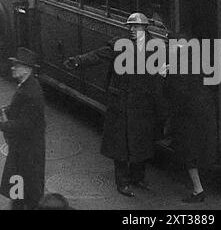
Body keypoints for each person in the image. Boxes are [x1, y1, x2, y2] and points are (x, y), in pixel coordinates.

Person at [64, 13, 168, 198]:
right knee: (120, 145)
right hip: (122, 102)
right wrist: (78, 61)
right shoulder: (120, 44)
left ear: (145, 28)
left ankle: (138, 178)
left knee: (141, 143)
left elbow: (161, 72)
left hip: (142, 103)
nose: (132, 31)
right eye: (130, 27)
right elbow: (98, 55)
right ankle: (123, 183)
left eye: (136, 27)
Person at [162, 32, 217, 203]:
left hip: (187, 118)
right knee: (199, 149)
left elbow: (171, 96)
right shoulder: (197, 62)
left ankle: (198, 189)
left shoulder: (174, 71)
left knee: (188, 152)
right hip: (204, 112)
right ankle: (201, 185)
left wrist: (164, 77)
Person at [0, 47, 46, 210]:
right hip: (24, 149)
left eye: (16, 65)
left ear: (26, 69)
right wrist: (9, 110)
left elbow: (26, 125)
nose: (12, 67)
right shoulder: (26, 85)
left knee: (28, 189)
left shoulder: (30, 92)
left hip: (27, 152)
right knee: (19, 186)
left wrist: (4, 125)